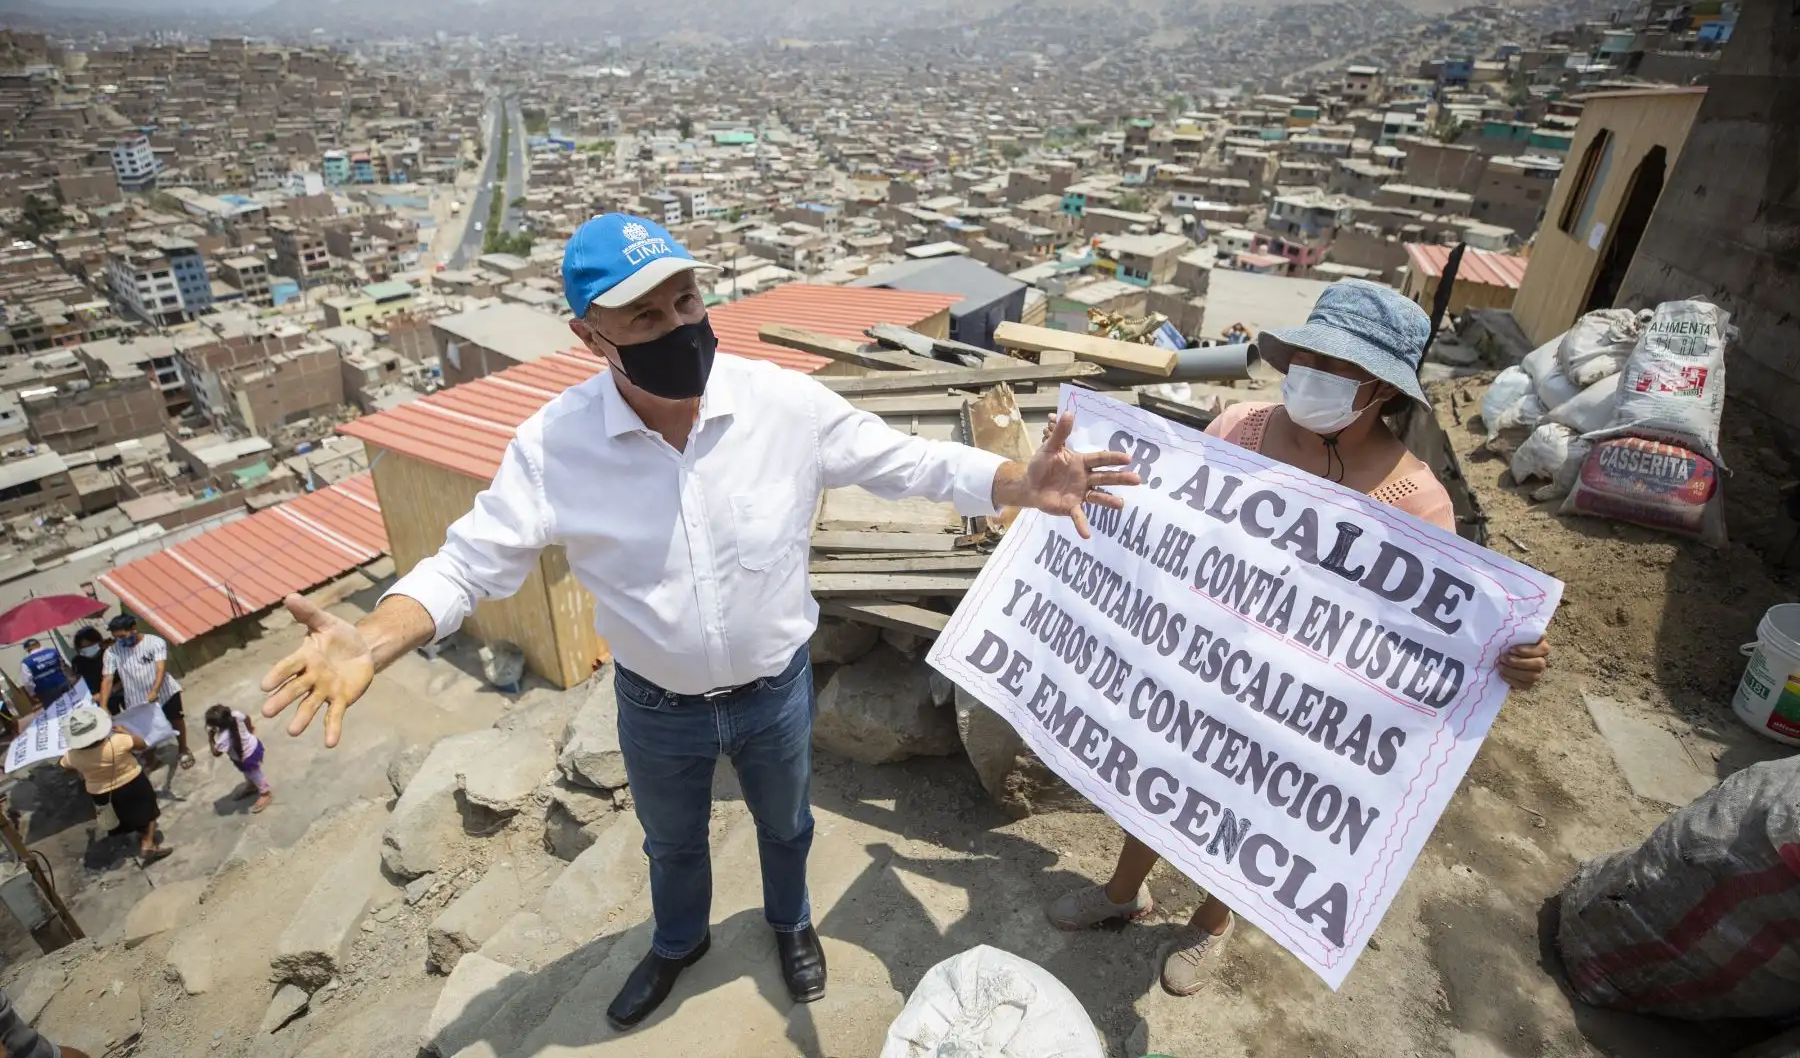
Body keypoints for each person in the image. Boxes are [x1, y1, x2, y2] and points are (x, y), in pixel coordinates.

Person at [259, 213, 1140, 1031]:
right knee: (671, 842)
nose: (679, 326)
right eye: (645, 318)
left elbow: (903, 460)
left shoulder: (780, 404)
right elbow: (469, 562)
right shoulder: (553, 448)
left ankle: (791, 926)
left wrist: (1015, 484)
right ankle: (679, 942)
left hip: (776, 692)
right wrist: (373, 639)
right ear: (591, 339)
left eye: (686, 299)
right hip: (656, 706)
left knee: (788, 826)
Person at [1043, 280, 1553, 995]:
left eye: (1340, 368)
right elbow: (1169, 525)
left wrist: (1505, 656)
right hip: (1198, 656)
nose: (1314, 376)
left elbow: (1431, 633)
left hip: (1294, 699)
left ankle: (1212, 921)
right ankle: (1124, 890)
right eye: (1310, 357)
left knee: (1247, 805)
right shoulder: (1240, 428)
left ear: (1381, 390)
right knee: (1161, 768)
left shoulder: (1419, 499)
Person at [59, 703, 170, 865]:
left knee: (121, 816)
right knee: (149, 810)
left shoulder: (73, 756)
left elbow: (64, 766)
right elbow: (142, 745)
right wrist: (127, 733)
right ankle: (148, 842)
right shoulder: (118, 741)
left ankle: (136, 833)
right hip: (133, 782)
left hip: (101, 793)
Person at [98, 613, 194, 769]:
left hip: (165, 692)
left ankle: (183, 749)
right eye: (117, 638)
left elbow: (160, 668)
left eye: (122, 636)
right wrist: (103, 705)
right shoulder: (112, 652)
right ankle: (151, 757)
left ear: (133, 629)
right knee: (144, 729)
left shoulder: (154, 642)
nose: (120, 640)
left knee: (176, 720)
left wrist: (155, 690)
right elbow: (107, 679)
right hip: (137, 699)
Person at [205, 704, 272, 812]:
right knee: (249, 773)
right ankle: (252, 786)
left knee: (254, 773)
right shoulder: (235, 715)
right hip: (252, 746)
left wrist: (211, 738)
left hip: (246, 757)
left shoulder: (223, 738)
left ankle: (265, 793)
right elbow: (246, 718)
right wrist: (249, 730)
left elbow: (216, 753)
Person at [68, 626, 122, 712]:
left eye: (90, 645)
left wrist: (105, 693)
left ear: (98, 642)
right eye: (83, 647)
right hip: (95, 702)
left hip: (119, 695)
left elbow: (124, 679)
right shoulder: (78, 661)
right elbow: (77, 681)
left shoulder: (111, 654)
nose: (87, 649)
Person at [20, 637, 71, 705]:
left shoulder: (26, 662)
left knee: (55, 712)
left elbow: (27, 681)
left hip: (45, 690)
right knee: (72, 703)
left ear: (27, 648)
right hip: (62, 683)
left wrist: (32, 693)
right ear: (39, 644)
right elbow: (65, 664)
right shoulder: (53, 651)